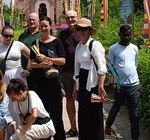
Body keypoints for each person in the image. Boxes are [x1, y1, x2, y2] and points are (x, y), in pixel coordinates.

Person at [29, 16, 66, 140]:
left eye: (46, 26)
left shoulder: (57, 42)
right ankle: (44, 137)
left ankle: (59, 136)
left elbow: (62, 60)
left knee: (56, 113)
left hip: (53, 82)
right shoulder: (35, 44)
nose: (44, 28)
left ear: (50, 26)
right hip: (39, 83)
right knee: (42, 113)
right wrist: (41, 65)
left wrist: (48, 59)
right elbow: (31, 64)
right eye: (42, 26)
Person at [73, 18, 107, 140]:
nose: (82, 32)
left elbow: (102, 67)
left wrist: (101, 86)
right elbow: (76, 68)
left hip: (93, 83)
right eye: (80, 29)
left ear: (89, 31)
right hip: (82, 81)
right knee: (83, 114)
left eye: (84, 29)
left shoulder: (94, 45)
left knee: (95, 116)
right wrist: (75, 87)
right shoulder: (79, 46)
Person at [105, 25, 140, 140]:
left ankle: (135, 137)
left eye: (129, 35)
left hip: (134, 86)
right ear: (119, 34)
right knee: (115, 108)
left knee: (135, 114)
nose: (127, 37)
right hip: (120, 87)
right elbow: (110, 66)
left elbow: (135, 65)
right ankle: (108, 125)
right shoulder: (113, 49)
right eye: (125, 35)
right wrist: (114, 83)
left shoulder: (134, 48)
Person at [0, 25, 30, 125]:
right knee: (7, 102)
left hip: (18, 75)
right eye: (6, 35)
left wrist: (28, 70)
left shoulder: (18, 45)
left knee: (20, 99)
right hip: (4, 77)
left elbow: (32, 56)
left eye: (11, 35)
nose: (8, 38)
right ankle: (10, 127)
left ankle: (22, 126)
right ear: (2, 35)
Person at [58, 10, 80, 138]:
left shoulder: (83, 31)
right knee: (70, 100)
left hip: (82, 72)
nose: (70, 20)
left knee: (82, 100)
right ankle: (73, 128)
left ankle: (85, 126)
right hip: (67, 72)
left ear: (77, 18)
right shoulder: (63, 34)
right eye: (68, 18)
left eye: (73, 17)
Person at [18, 12, 41, 88]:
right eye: (30, 20)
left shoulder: (41, 35)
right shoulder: (22, 36)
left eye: (34, 20)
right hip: (23, 70)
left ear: (38, 21)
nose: (31, 22)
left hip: (38, 69)